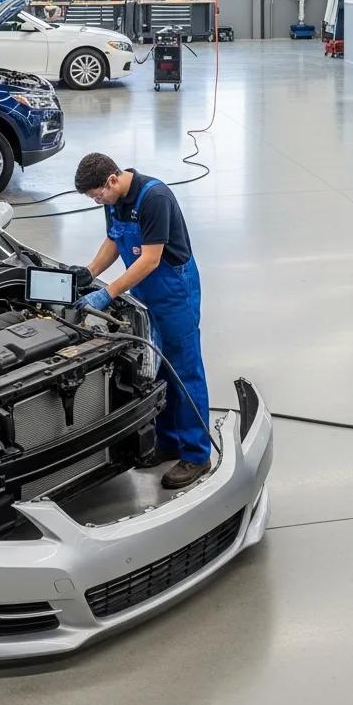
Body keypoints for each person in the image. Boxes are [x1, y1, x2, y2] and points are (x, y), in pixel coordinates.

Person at [73, 153, 211, 490]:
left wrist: (108, 293)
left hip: (174, 289)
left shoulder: (155, 198)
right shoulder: (114, 199)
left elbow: (150, 259)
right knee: (157, 368)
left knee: (184, 371)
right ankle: (169, 442)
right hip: (146, 293)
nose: (97, 200)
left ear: (112, 180)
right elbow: (114, 240)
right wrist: (90, 272)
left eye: (97, 195)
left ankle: (196, 455)